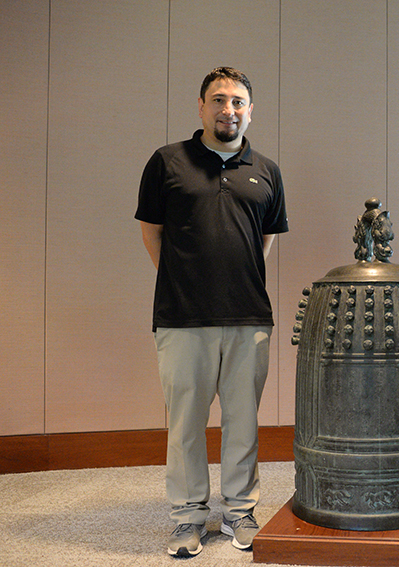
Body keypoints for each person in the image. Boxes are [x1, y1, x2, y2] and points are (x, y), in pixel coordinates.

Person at [135, 67, 288, 557]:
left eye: (238, 101)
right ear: (200, 106)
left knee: (243, 421)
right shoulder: (167, 162)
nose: (229, 109)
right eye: (219, 100)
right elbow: (151, 233)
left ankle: (240, 511)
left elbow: (263, 240)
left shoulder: (266, 170)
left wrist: (232, 281)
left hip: (249, 318)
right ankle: (188, 517)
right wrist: (186, 281)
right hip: (182, 318)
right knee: (185, 424)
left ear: (250, 109)